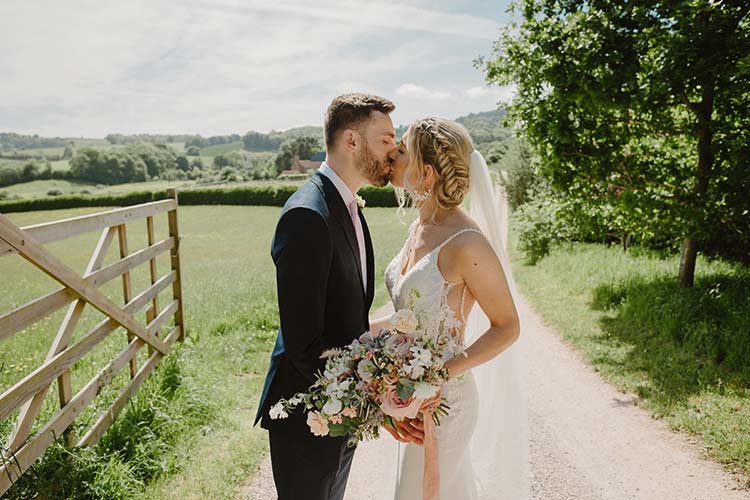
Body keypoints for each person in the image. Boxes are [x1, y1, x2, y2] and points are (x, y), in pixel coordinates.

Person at [370, 117, 529, 499]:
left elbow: (507, 326)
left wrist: (440, 374)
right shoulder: (419, 229)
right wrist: (356, 336)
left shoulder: (467, 243)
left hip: (446, 403)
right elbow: (411, 317)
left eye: (403, 150)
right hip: (413, 396)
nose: (393, 153)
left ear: (425, 173)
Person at [255, 93, 397, 500]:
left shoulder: (348, 206)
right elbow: (303, 345)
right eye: (385, 139)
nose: (394, 149)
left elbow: (346, 318)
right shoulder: (308, 215)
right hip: (308, 415)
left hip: (339, 412)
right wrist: (358, 392)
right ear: (351, 140)